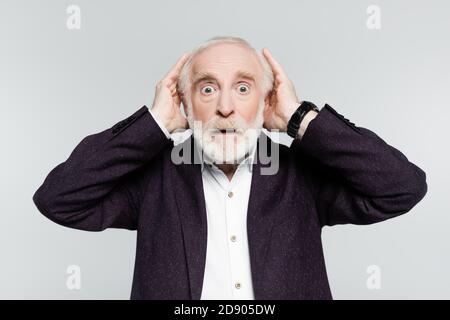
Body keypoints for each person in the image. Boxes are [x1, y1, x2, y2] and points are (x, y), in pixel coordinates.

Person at [33, 36, 427, 300]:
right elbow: (58, 199)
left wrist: (299, 117)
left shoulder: (301, 177)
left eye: (243, 88)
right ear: (185, 104)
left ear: (265, 100)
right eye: (207, 88)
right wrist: (153, 123)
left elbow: (401, 187)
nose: (225, 107)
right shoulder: (155, 179)